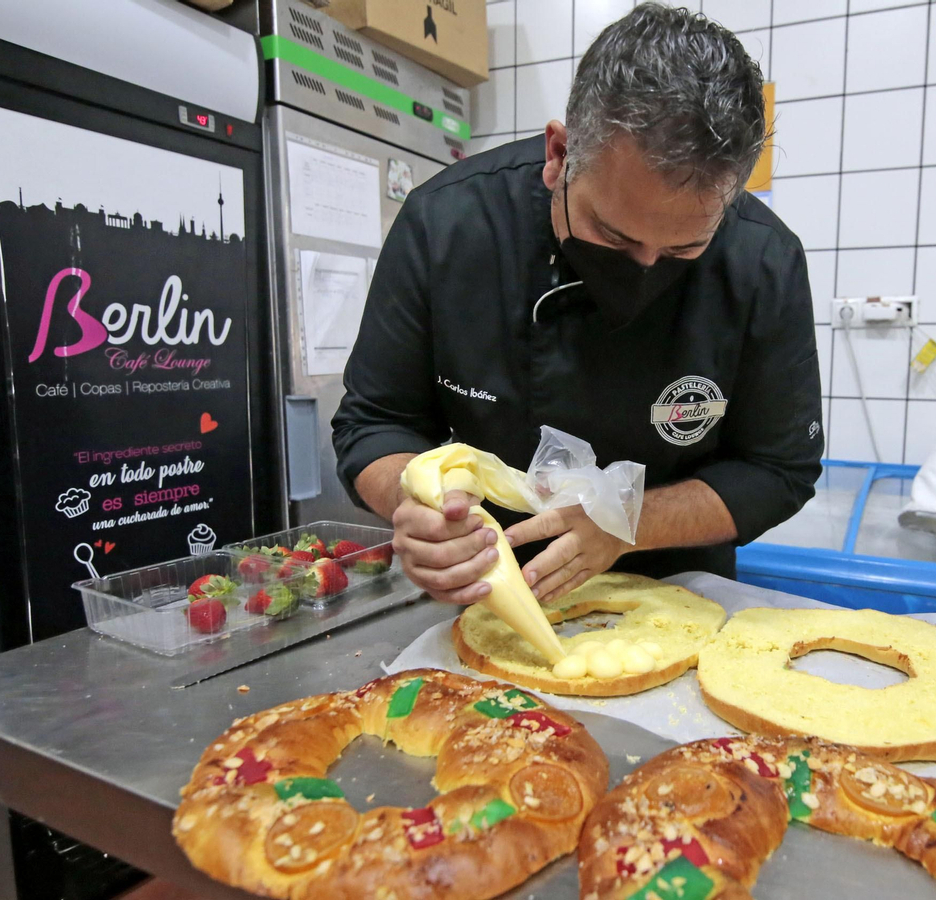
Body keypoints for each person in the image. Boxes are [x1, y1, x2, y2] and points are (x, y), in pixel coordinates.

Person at [331, 3, 821, 607]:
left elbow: (779, 471)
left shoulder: (762, 262)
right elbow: (375, 423)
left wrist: (625, 521)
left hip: (674, 591)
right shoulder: (448, 225)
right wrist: (415, 508)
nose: (645, 267)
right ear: (560, 155)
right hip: (485, 590)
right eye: (615, 236)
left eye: (685, 246)